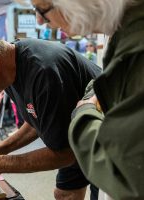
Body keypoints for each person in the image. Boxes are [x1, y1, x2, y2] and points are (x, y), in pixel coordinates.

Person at [0, 24, 101, 199]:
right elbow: (37, 120)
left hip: (107, 135)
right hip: (73, 128)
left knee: (101, 189)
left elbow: (66, 153)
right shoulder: (7, 69)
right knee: (64, 195)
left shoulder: (44, 72)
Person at [31, 0, 144, 199]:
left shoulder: (136, 44)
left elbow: (126, 176)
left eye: (42, 8)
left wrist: (83, 114)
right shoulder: (123, 31)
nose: (39, 20)